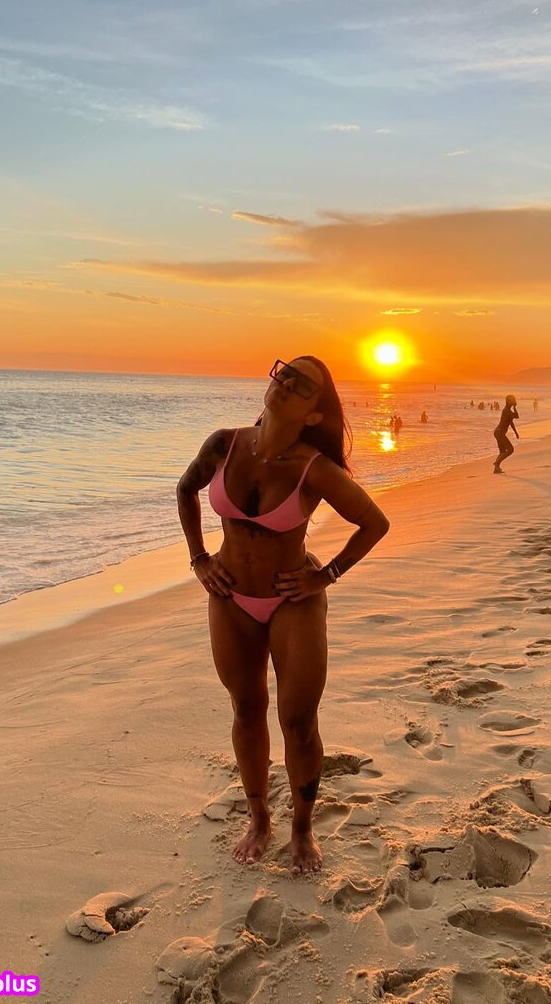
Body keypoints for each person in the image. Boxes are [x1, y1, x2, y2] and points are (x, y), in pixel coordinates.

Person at [176, 357, 390, 874]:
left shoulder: (314, 469)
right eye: (285, 372)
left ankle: (302, 829)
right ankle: (259, 820)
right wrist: (199, 557)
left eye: (302, 384)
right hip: (231, 597)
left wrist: (327, 574)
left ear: (315, 413)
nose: (286, 382)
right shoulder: (223, 444)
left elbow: (374, 523)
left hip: (294, 600)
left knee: (298, 720)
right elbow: (185, 490)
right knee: (246, 709)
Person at [493, 394, 520, 474]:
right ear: (509, 402)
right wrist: (514, 407)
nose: (515, 401)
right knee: (510, 449)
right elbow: (517, 416)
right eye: (513, 400)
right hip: (499, 433)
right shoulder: (506, 411)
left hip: (498, 433)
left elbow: (511, 422)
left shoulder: (508, 411)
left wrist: (516, 432)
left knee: (502, 452)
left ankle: (496, 469)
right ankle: (497, 463)